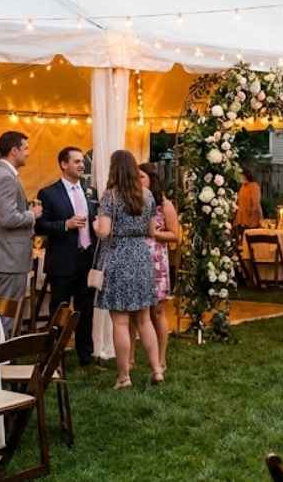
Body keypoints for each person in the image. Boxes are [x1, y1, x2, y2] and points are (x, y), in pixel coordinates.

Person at [93, 150, 164, 389]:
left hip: (118, 257)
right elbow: (152, 232)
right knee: (144, 319)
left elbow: (103, 231)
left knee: (121, 322)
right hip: (141, 256)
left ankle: (124, 377)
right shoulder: (147, 195)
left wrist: (95, 224)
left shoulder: (110, 197)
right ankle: (157, 369)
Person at [36, 147, 97, 369]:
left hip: (86, 260)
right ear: (63, 164)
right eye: (77, 161)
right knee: (59, 311)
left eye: (82, 161)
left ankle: (86, 357)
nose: (82, 165)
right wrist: (66, 224)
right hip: (62, 262)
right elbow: (39, 226)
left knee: (86, 310)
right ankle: (55, 357)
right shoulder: (48, 193)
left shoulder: (91, 193)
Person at [0, 131, 42, 336]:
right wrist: (32, 214)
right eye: (26, 148)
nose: (28, 153)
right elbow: (8, 218)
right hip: (9, 258)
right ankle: (1, 358)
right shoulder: (6, 178)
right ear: (14, 151)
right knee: (6, 313)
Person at [139, 163, 179, 371]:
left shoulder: (164, 205)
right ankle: (131, 359)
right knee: (135, 312)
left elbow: (175, 235)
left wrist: (155, 234)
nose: (137, 181)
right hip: (136, 260)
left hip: (156, 261)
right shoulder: (133, 203)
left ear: (151, 180)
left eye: (141, 177)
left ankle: (161, 359)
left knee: (157, 312)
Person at [234, 167, 263, 232]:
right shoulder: (243, 186)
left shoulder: (254, 186)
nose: (239, 178)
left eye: (240, 176)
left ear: (245, 176)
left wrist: (250, 220)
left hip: (252, 220)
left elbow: (255, 203)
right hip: (242, 220)